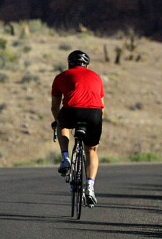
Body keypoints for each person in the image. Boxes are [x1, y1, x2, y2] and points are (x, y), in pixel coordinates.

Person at [51, 49, 105, 207]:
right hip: (94, 114)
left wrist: (58, 122)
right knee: (92, 150)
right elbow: (103, 107)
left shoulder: (61, 76)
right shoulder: (96, 76)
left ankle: (65, 158)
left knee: (62, 123)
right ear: (86, 66)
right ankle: (90, 186)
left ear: (69, 64)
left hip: (71, 111)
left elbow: (55, 106)